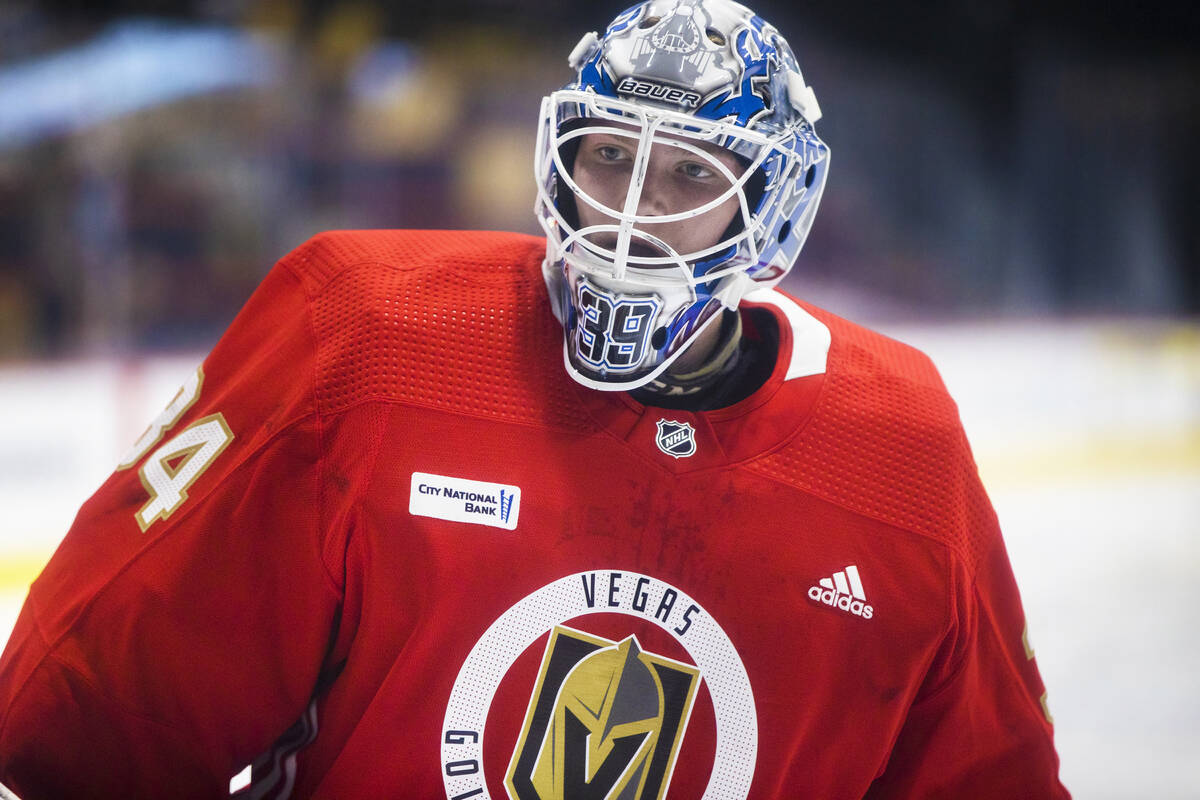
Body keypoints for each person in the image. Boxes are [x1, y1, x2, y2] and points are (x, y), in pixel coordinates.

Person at [0, 1, 1071, 797]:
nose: (635, 211)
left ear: (774, 211)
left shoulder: (897, 445)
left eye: (694, 176)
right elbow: (81, 723)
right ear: (557, 160)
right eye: (609, 156)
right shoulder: (365, 336)